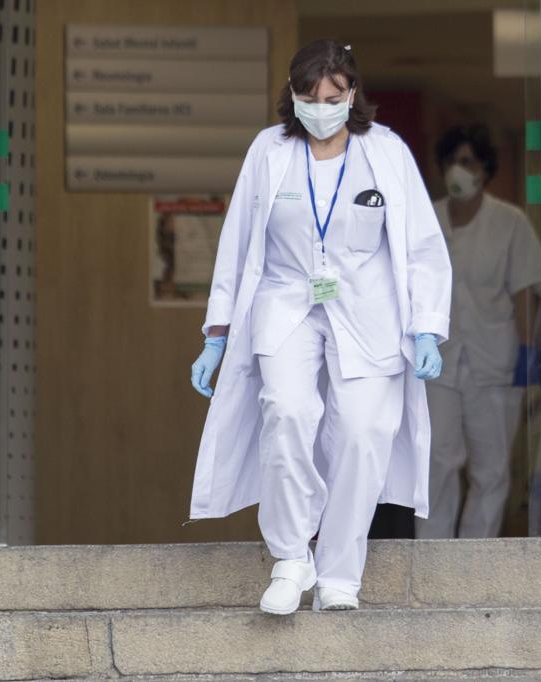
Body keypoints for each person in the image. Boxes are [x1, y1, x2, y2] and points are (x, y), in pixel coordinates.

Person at [184, 40, 451, 615]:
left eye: (333, 97)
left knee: (360, 434)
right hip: (285, 301)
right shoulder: (269, 150)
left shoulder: (386, 152)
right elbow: (237, 245)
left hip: (368, 310)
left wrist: (427, 326)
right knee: (286, 410)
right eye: (309, 97)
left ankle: (339, 575)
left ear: (351, 94)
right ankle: (291, 555)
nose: (321, 107)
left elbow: (423, 246)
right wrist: (217, 334)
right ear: (293, 95)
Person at [417, 124, 541, 539]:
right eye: (452, 162)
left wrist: (530, 352)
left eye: (467, 162)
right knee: (438, 459)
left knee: (490, 469)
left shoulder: (510, 223)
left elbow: (525, 291)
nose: (458, 170)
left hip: (496, 363)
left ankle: (474, 561)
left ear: (485, 170)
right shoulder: (425, 219)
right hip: (437, 361)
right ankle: (432, 556)